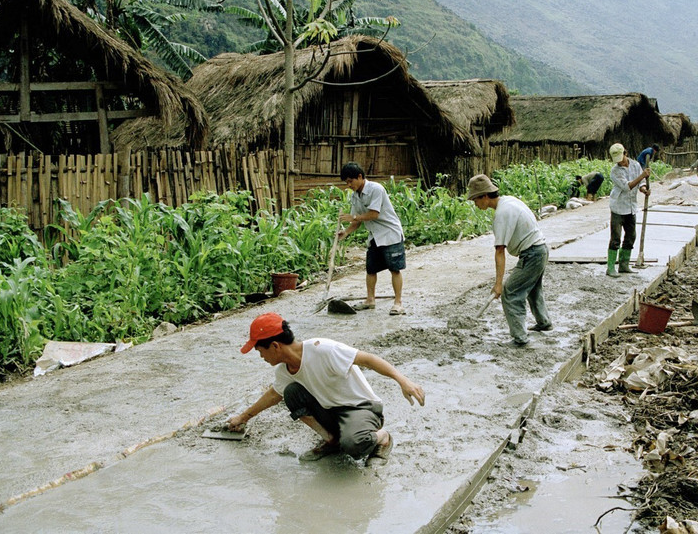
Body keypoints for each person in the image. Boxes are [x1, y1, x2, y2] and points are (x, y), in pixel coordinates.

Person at [227, 312, 425, 466]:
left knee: (354, 445)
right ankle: (332, 441)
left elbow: (368, 359)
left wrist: (403, 380)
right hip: (331, 411)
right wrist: (243, 418)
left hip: (360, 408)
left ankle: (382, 438)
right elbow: (273, 395)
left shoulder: (323, 349)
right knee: (291, 393)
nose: (261, 356)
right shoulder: (284, 371)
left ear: (275, 346)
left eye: (260, 350)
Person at [467, 174, 552, 347]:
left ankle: (520, 338)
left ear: (484, 196)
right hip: (540, 249)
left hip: (533, 253)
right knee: (533, 289)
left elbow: (500, 251)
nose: (475, 204)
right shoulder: (509, 201)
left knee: (511, 292)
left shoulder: (502, 214)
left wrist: (499, 284)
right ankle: (544, 322)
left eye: (475, 199)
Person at [338, 162, 407, 315]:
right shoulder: (355, 196)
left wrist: (353, 216)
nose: (349, 185)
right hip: (375, 235)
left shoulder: (376, 189)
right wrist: (346, 232)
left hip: (390, 234)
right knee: (371, 270)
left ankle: (398, 303)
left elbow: (373, 214)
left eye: (351, 181)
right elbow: (356, 221)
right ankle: (370, 300)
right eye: (346, 182)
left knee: (395, 269)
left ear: (360, 177)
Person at [606, 143, 651, 278]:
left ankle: (624, 265)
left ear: (625, 153)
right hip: (618, 207)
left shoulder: (636, 165)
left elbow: (639, 185)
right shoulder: (615, 171)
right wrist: (642, 176)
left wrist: (644, 189)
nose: (620, 161)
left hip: (631, 207)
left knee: (631, 236)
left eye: (621, 158)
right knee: (615, 238)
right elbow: (627, 186)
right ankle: (610, 267)